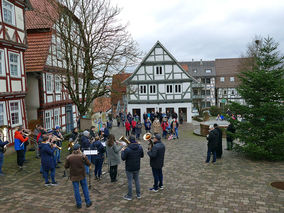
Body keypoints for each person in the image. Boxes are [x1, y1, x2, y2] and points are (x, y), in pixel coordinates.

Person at [64, 144, 92, 209]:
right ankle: (88, 202)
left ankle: (79, 204)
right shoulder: (82, 156)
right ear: (79, 149)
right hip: (82, 175)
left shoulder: (69, 157)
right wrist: (84, 157)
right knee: (85, 188)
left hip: (73, 175)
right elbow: (89, 164)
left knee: (76, 190)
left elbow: (66, 166)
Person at [121, 136, 144, 200]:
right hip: (137, 166)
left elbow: (123, 158)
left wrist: (122, 151)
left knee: (130, 181)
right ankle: (138, 194)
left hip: (129, 167)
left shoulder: (127, 149)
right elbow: (142, 156)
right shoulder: (140, 147)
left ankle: (129, 196)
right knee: (137, 180)